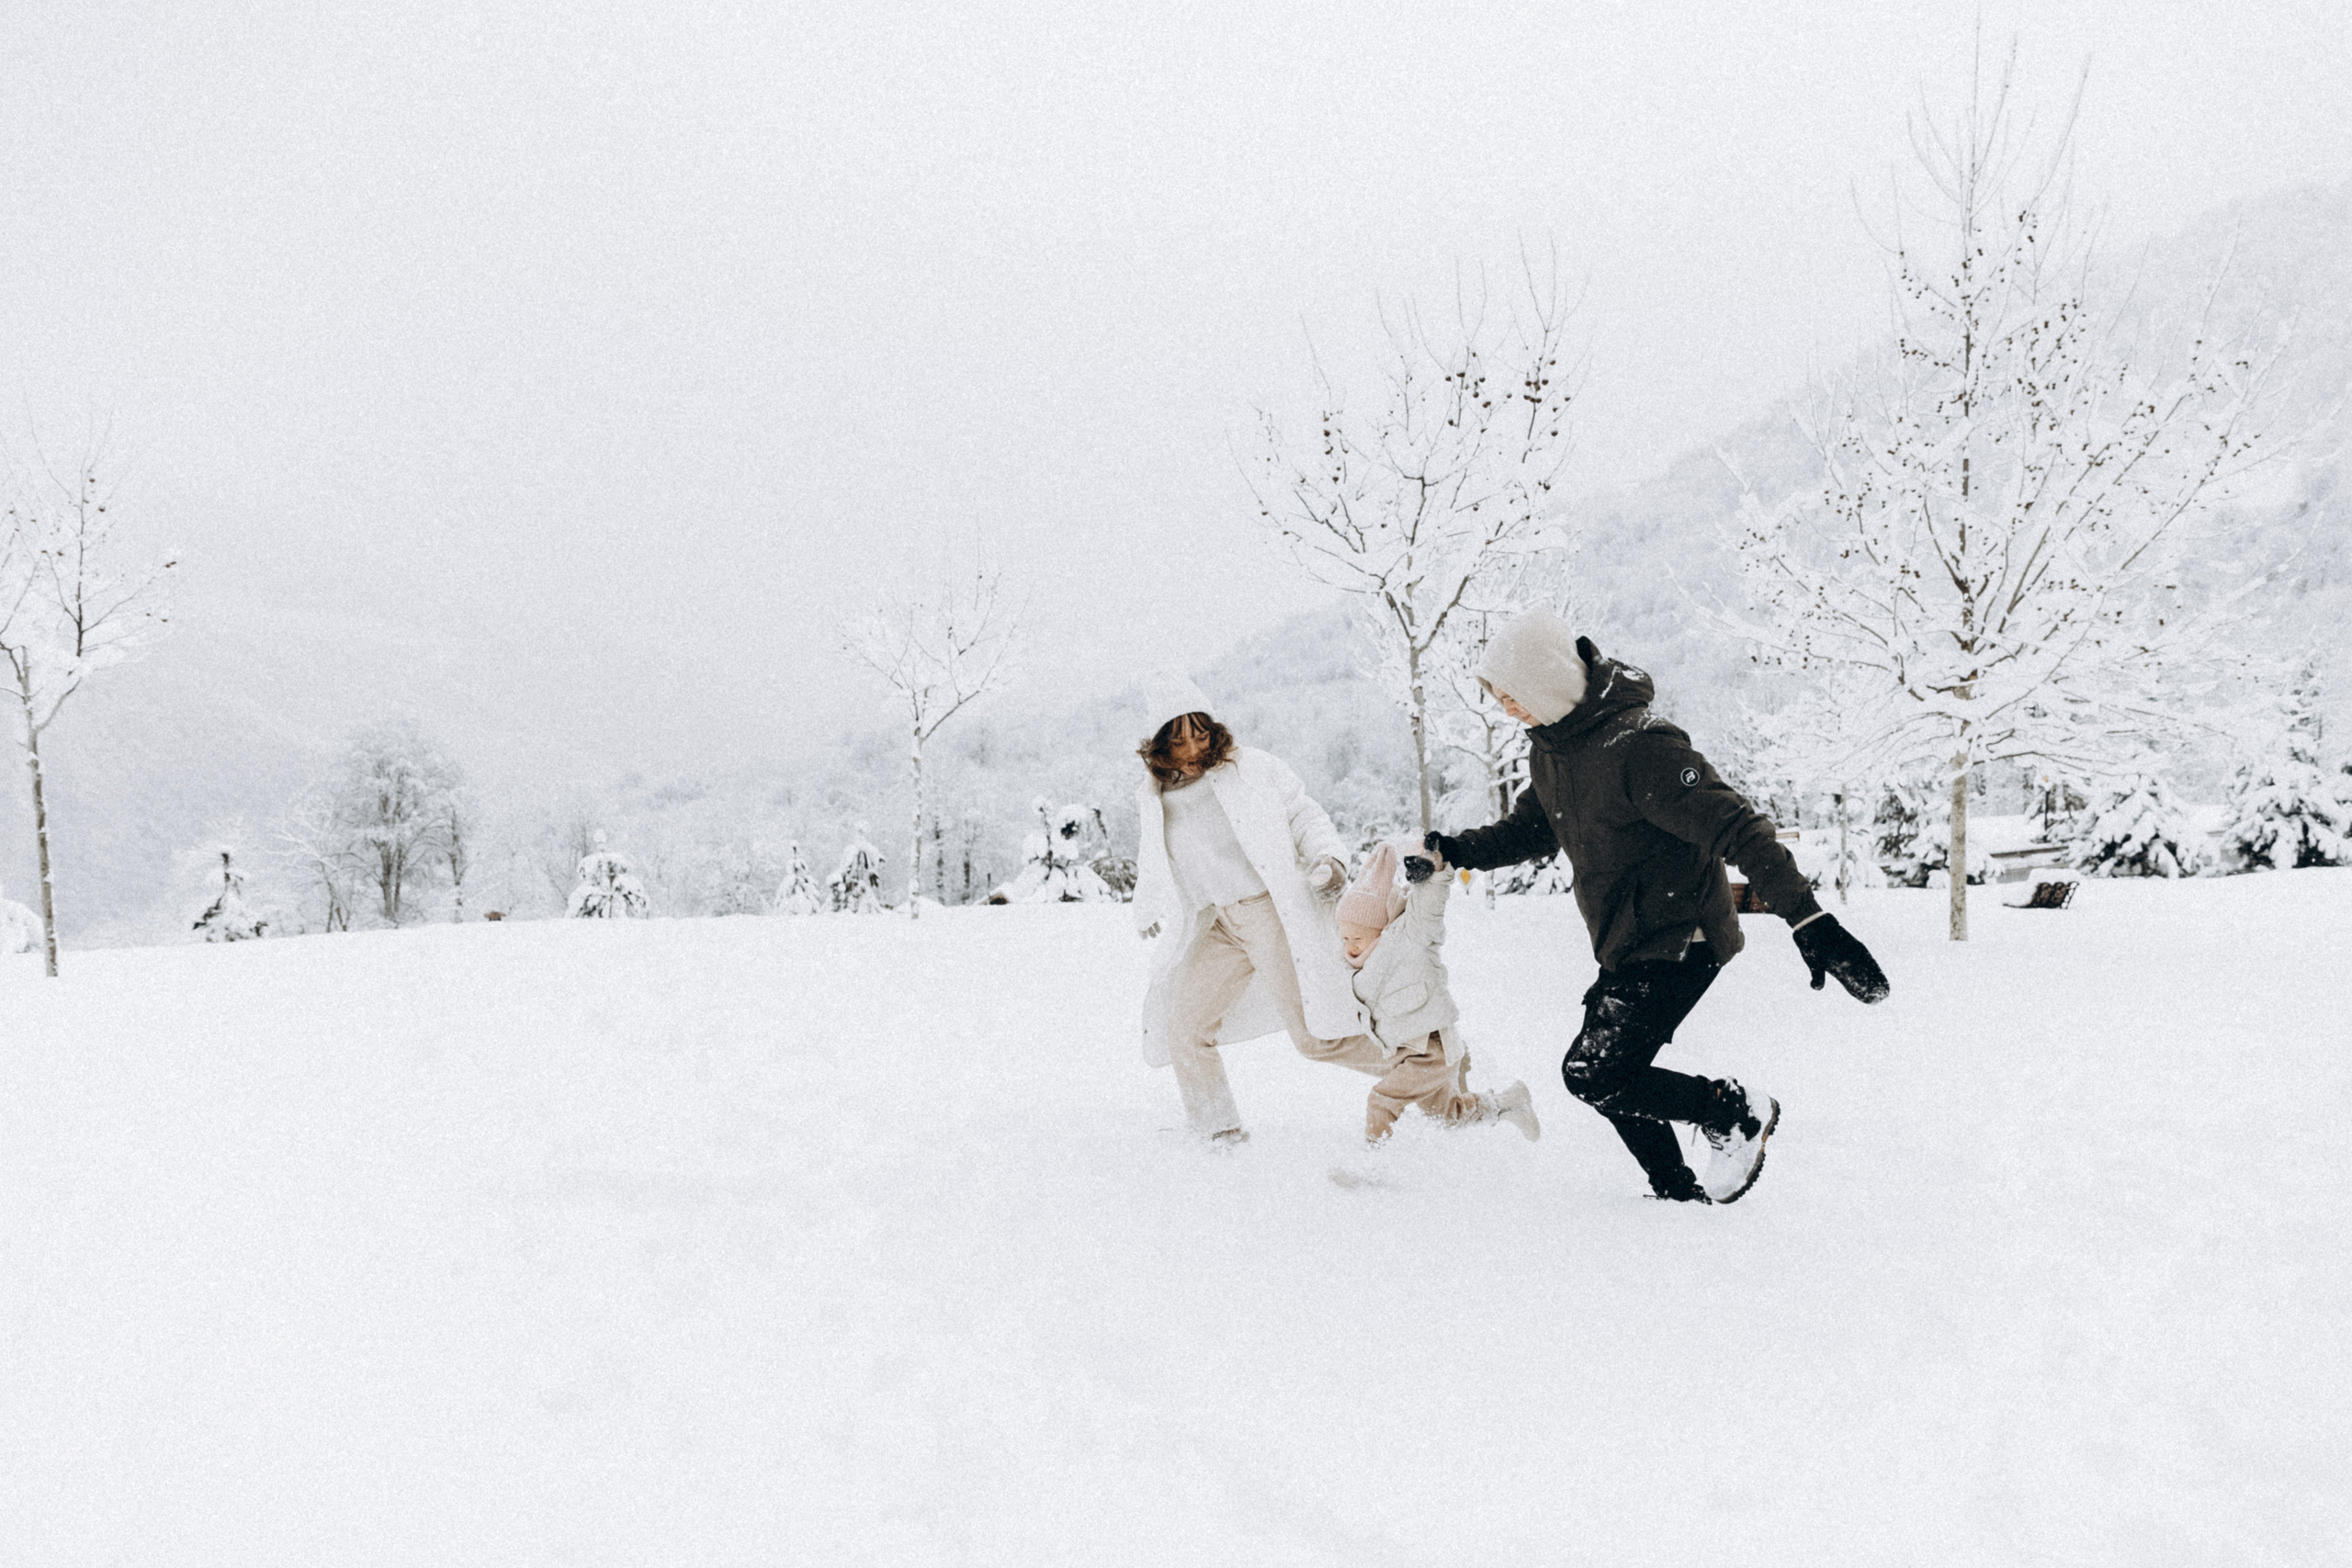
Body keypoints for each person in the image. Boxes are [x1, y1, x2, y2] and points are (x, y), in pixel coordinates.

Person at [1424, 609, 1890, 1204]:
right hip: (1627, 938)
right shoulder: (1552, 751)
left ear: (1545, 684)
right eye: (1498, 697)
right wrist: (1455, 850)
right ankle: (1675, 1194)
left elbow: (1738, 826)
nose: (1505, 709)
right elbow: (1532, 830)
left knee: (1597, 1071)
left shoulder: (1641, 747)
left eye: (1512, 695)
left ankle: (1736, 1111)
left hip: (1682, 935)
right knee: (1609, 1074)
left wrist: (1808, 917)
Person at [1132, 672, 1394, 1142]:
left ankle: (1425, 1068)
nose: (1192, 749)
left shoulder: (1250, 768)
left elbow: (1303, 813)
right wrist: (1147, 902)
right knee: (1185, 1028)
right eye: (1179, 739)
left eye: (1200, 733)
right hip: (1216, 922)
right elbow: (1154, 855)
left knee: (1318, 1036)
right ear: (1159, 744)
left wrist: (1327, 857)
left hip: (1269, 912)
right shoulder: (1153, 797)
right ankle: (1220, 1135)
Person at [1335, 840, 1541, 1145]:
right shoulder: (1357, 967)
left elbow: (1429, 907)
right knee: (1447, 1114)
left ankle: (1371, 1166)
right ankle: (1509, 1103)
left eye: (1358, 937)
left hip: (1431, 1050)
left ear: (1381, 929)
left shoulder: (1410, 936)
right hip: (1407, 1053)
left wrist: (1434, 869)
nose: (1350, 945)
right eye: (1345, 937)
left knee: (1382, 1100)